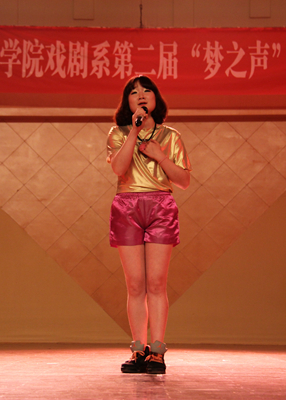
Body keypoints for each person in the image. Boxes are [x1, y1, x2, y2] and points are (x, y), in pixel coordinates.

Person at [106, 75, 191, 374]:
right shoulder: (118, 133)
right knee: (135, 284)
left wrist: (160, 157)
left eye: (146, 90)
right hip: (127, 205)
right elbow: (118, 168)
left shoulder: (171, 136)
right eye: (134, 92)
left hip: (161, 206)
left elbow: (183, 181)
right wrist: (134, 131)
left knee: (156, 283)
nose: (141, 95)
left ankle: (157, 350)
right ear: (127, 102)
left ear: (156, 98)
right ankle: (138, 349)